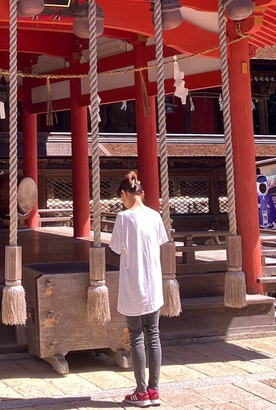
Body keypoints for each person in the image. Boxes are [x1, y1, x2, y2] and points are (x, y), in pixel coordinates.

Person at [109, 171, 168, 407]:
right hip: (153, 284)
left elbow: (115, 248)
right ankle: (154, 391)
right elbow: (161, 242)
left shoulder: (124, 218)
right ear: (142, 193)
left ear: (125, 193)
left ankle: (141, 392)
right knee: (153, 335)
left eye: (121, 196)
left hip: (134, 284)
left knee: (136, 337)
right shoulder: (155, 216)